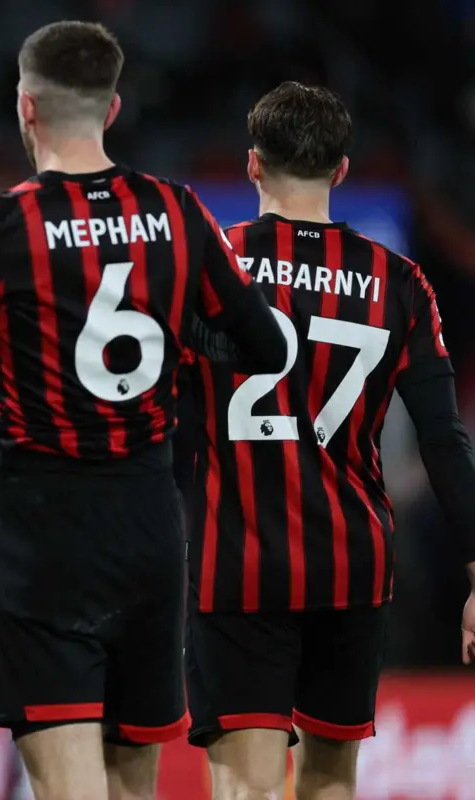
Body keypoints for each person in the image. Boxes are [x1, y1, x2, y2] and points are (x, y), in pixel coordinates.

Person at [0, 21, 288, 800]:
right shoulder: (177, 210)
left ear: (25, 108)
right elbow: (266, 348)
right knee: (131, 786)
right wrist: (184, 331)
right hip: (149, 527)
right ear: (111, 110)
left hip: (45, 539)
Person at [174, 82, 475, 800]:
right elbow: (443, 440)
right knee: (330, 782)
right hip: (352, 567)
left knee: (246, 788)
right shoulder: (398, 282)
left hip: (237, 563)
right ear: (341, 170)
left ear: (253, 165)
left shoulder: (208, 267)